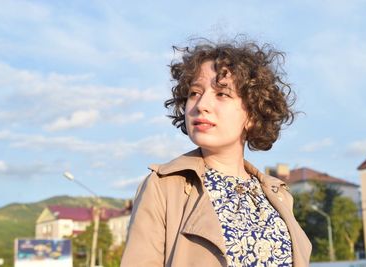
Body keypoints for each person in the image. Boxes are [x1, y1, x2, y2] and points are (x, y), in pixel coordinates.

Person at [120, 38, 311, 267]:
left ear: (252, 114)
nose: (201, 105)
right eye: (194, 93)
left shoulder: (279, 195)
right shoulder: (163, 187)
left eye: (222, 94)